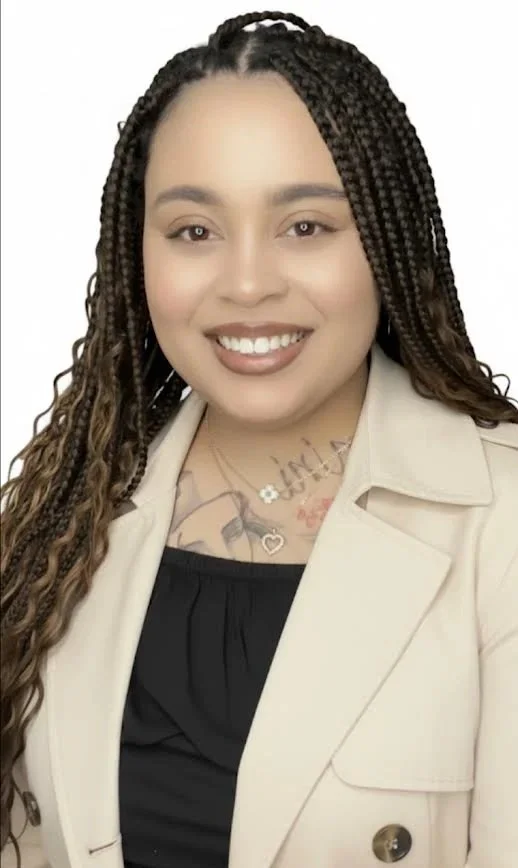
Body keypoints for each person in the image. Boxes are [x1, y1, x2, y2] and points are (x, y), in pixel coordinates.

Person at [1, 10, 517, 868]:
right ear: (139, 257)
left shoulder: (504, 529)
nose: (246, 284)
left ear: (386, 249)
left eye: (306, 226)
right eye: (194, 232)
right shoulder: (57, 521)